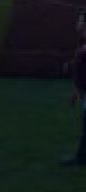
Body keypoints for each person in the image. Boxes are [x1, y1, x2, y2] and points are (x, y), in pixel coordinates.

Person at [63, 10, 86, 166]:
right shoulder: (82, 42)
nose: (76, 24)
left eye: (80, 21)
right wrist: (75, 92)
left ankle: (80, 158)